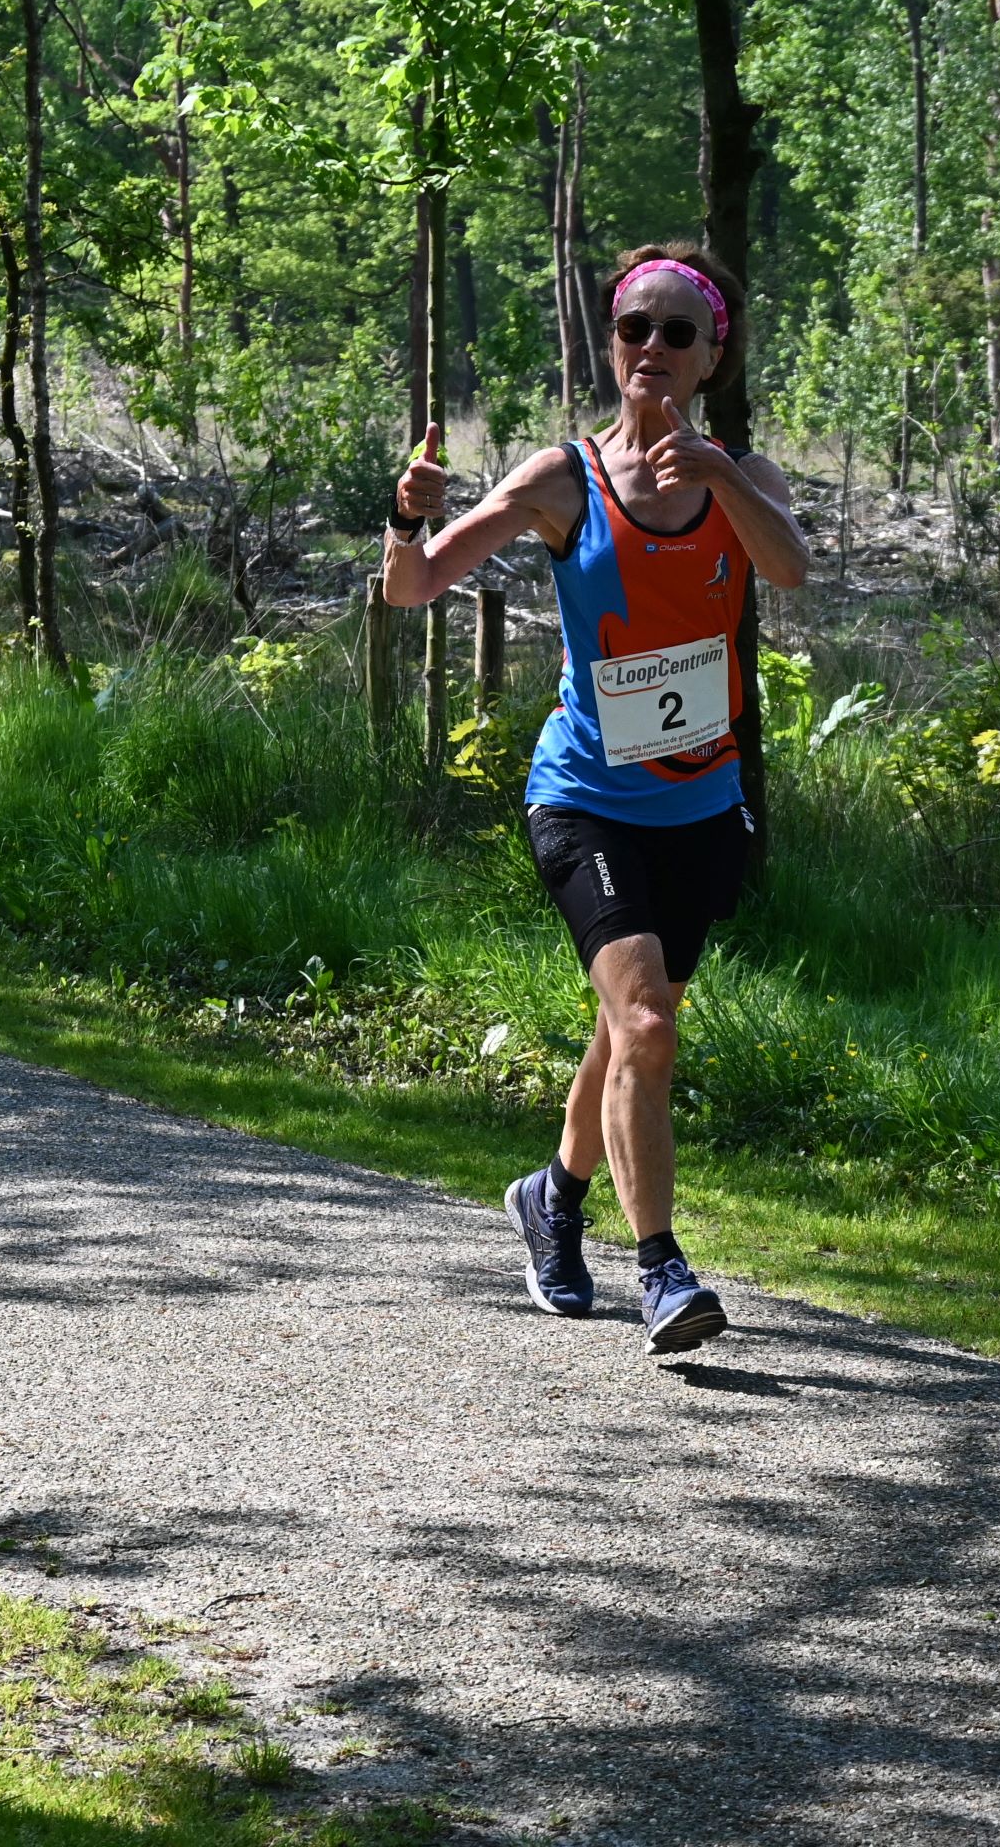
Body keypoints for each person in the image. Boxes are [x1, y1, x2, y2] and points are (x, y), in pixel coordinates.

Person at [383, 242, 809, 1356]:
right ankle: (663, 1272)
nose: (652, 347)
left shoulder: (744, 477)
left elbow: (792, 569)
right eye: (633, 328)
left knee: (630, 1031)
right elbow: (414, 585)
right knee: (647, 1024)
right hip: (585, 797)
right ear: (611, 345)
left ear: (712, 356)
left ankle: (553, 1198)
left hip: (702, 806)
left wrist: (718, 475)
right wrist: (406, 516)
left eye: (678, 332)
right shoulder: (563, 478)